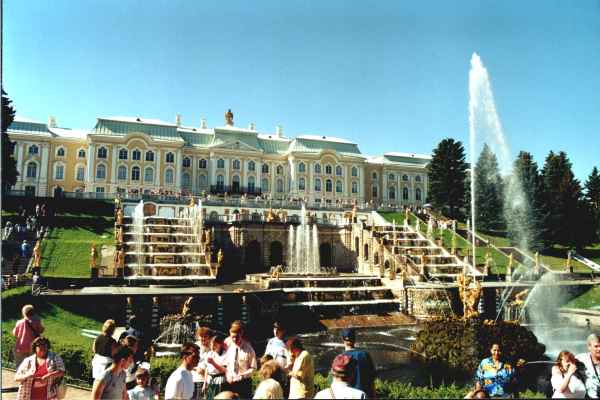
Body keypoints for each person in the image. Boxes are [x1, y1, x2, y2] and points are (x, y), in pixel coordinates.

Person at [223, 322, 256, 399]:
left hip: (244, 383)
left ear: (241, 334)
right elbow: (225, 365)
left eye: (237, 337)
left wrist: (242, 376)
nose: (234, 339)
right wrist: (227, 375)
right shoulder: (228, 346)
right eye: (232, 337)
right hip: (230, 382)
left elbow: (253, 369)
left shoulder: (249, 349)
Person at [341, 328, 376, 398]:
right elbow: (372, 381)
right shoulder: (365, 355)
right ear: (355, 339)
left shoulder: (340, 359)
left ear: (342, 340)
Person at [576, 333, 600, 398]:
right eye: (596, 346)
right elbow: (563, 362)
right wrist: (556, 369)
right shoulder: (581, 358)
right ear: (589, 347)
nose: (599, 349)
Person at [203, 335, 227, 400]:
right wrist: (204, 383)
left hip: (220, 382)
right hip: (210, 381)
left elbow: (224, 370)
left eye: (215, 345)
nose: (212, 347)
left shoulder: (225, 355)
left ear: (220, 344)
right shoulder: (209, 354)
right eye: (211, 344)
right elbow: (207, 369)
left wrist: (213, 363)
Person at [192, 326, 213, 399]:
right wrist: (196, 368)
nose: (203, 340)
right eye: (201, 338)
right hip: (194, 379)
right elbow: (188, 362)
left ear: (209, 338)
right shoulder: (195, 346)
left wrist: (205, 373)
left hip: (205, 380)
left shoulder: (213, 347)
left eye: (205, 338)